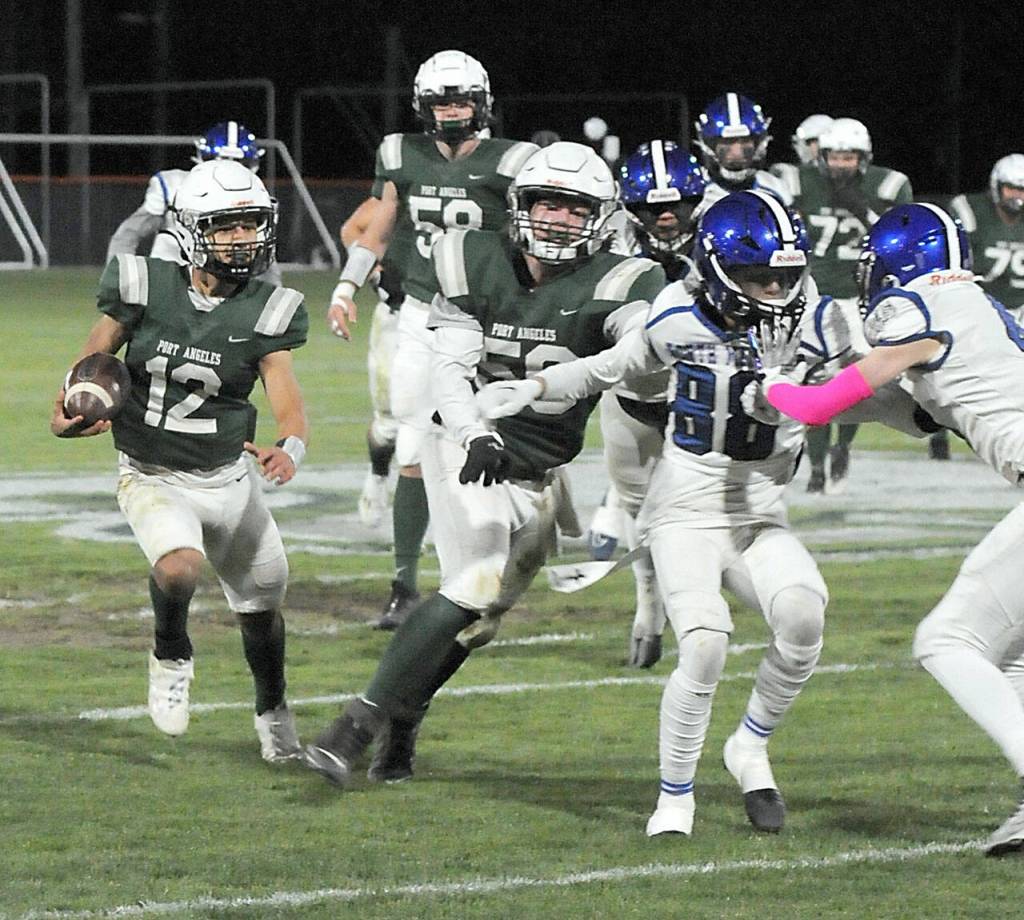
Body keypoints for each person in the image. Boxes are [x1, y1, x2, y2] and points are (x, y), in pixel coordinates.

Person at [474, 189, 934, 837]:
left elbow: (883, 398)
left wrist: (939, 407)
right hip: (683, 511)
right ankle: (675, 796)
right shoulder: (678, 315)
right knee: (707, 641)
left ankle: (748, 745)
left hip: (760, 516)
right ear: (717, 270)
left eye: (785, 273)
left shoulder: (824, 323)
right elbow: (611, 366)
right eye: (757, 276)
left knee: (804, 615)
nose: (776, 288)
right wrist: (534, 386)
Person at [303, 141, 665, 788]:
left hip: (539, 472)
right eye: (546, 203)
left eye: (573, 208)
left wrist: (550, 387)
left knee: (479, 623)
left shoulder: (625, 280)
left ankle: (404, 720)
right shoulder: (472, 257)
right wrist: (474, 432)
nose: (555, 219)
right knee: (471, 583)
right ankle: (354, 726)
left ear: (600, 217)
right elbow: (450, 368)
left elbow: (639, 356)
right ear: (519, 206)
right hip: (463, 448)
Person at [751, 201, 1024, 857]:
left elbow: (819, 404)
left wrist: (771, 383)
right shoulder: (979, 312)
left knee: (945, 639)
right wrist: (815, 384)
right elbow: (916, 413)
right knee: (1011, 658)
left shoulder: (924, 304)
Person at [52, 159, 309, 763]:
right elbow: (94, 355)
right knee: (178, 567)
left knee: (262, 612)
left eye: (250, 225)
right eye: (227, 227)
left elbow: (289, 401)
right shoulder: (144, 283)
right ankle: (171, 651)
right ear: (193, 229)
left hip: (230, 479)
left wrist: (288, 446)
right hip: (151, 471)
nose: (242, 239)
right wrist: (64, 403)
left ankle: (273, 712)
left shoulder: (269, 308)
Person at [325, 49, 537, 630]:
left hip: (489, 322)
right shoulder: (400, 154)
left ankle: (504, 558)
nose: (451, 112)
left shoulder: (515, 162)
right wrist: (346, 286)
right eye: (441, 101)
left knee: (499, 440)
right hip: (421, 315)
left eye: (461, 100)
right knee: (414, 447)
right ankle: (406, 585)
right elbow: (380, 225)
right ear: (423, 105)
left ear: (483, 103)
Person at [594, 139, 708, 668]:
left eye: (676, 205)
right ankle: (649, 607)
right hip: (631, 398)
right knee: (642, 518)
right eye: (651, 207)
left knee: (705, 521)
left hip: (702, 402)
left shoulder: (724, 236)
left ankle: (696, 621)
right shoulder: (603, 239)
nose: (665, 217)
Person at [793, 117, 912, 493]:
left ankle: (841, 448)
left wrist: (865, 210)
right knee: (816, 380)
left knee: (855, 382)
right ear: (821, 156)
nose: (841, 164)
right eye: (835, 156)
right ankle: (814, 467)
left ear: (864, 158)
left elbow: (902, 240)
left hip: (864, 297)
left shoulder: (888, 186)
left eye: (849, 157)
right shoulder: (799, 183)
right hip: (816, 293)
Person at [107, 121, 282, 286]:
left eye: (240, 164)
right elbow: (129, 233)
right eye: (221, 162)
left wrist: (274, 300)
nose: (230, 170)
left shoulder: (253, 195)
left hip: (225, 285)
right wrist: (120, 279)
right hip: (169, 282)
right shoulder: (174, 185)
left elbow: (263, 253)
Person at [933, 155, 1024, 462]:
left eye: (1023, 190)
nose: (1018, 197)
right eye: (1012, 189)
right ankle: (941, 428)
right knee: (956, 370)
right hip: (979, 305)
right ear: (997, 187)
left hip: (1020, 304)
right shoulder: (971, 212)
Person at [338, 196, 414, 532]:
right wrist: (375, 272)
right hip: (398, 319)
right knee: (388, 425)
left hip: (456, 322)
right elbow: (352, 229)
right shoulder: (408, 185)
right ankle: (379, 475)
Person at [693, 92, 793, 209]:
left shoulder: (776, 188)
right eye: (727, 142)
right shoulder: (695, 191)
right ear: (709, 145)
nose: (737, 152)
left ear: (758, 143)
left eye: (745, 141)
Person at [770, 113, 834, 200]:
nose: (807, 147)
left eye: (812, 142)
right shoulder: (791, 174)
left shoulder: (852, 176)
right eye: (808, 142)